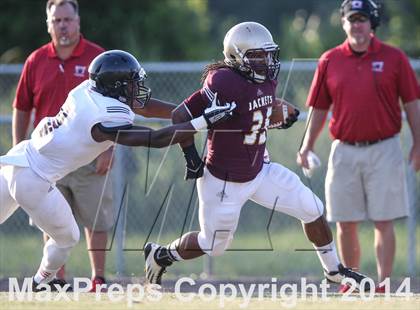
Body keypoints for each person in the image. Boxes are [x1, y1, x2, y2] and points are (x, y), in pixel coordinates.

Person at [143, 21, 371, 291]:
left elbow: (257, 108)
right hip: (223, 180)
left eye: (268, 54)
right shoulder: (223, 81)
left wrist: (277, 116)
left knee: (313, 209)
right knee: (212, 245)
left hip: (261, 170)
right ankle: (160, 255)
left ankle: (333, 271)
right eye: (256, 55)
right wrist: (191, 157)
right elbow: (180, 115)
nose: (265, 61)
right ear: (236, 56)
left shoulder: (267, 78)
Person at [0, 49, 235, 292]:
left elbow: (140, 107)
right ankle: (40, 282)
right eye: (132, 84)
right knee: (68, 238)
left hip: (17, 159)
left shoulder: (88, 90)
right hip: (34, 179)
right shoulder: (102, 116)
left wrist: (188, 111)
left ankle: (40, 283)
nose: (137, 89)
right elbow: (155, 139)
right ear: (117, 87)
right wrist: (203, 121)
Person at [296, 0, 420, 293]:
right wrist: (306, 146)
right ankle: (352, 282)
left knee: (383, 220)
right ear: (343, 23)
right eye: (352, 19)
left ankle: (384, 284)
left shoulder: (394, 58)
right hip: (344, 150)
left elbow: (413, 103)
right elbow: (318, 109)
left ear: (372, 23)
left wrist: (418, 144)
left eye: (363, 19)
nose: (357, 24)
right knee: (345, 221)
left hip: (385, 148)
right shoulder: (329, 60)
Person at [12, 0, 109, 291]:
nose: (63, 25)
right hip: (45, 159)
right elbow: (22, 107)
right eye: (57, 21)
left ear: (78, 22)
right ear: (49, 24)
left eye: (68, 19)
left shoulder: (97, 58)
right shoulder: (36, 60)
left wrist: (110, 149)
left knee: (97, 217)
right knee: (50, 221)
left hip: (89, 155)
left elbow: (112, 107)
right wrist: (20, 150)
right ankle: (56, 279)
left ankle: (99, 279)